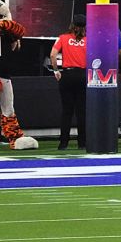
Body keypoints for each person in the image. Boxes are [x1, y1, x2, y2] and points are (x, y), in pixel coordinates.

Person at [49, 13, 88, 150]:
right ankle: (82, 143)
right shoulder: (89, 40)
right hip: (83, 75)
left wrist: (56, 70)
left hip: (68, 75)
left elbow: (53, 54)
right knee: (81, 111)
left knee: (67, 111)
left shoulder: (63, 38)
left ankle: (63, 143)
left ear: (72, 25)